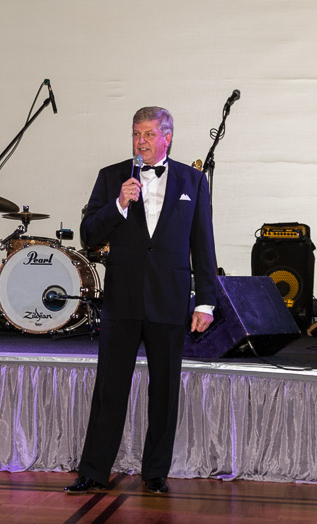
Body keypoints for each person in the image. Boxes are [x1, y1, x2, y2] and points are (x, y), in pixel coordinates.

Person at [65, 106, 218, 495]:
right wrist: (118, 204)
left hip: (169, 299)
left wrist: (206, 301)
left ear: (167, 137)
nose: (141, 141)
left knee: (164, 391)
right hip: (123, 299)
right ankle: (93, 470)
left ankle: (155, 473)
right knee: (109, 388)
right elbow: (88, 233)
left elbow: (203, 243)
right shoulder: (112, 177)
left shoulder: (192, 180)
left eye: (149, 134)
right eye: (136, 134)